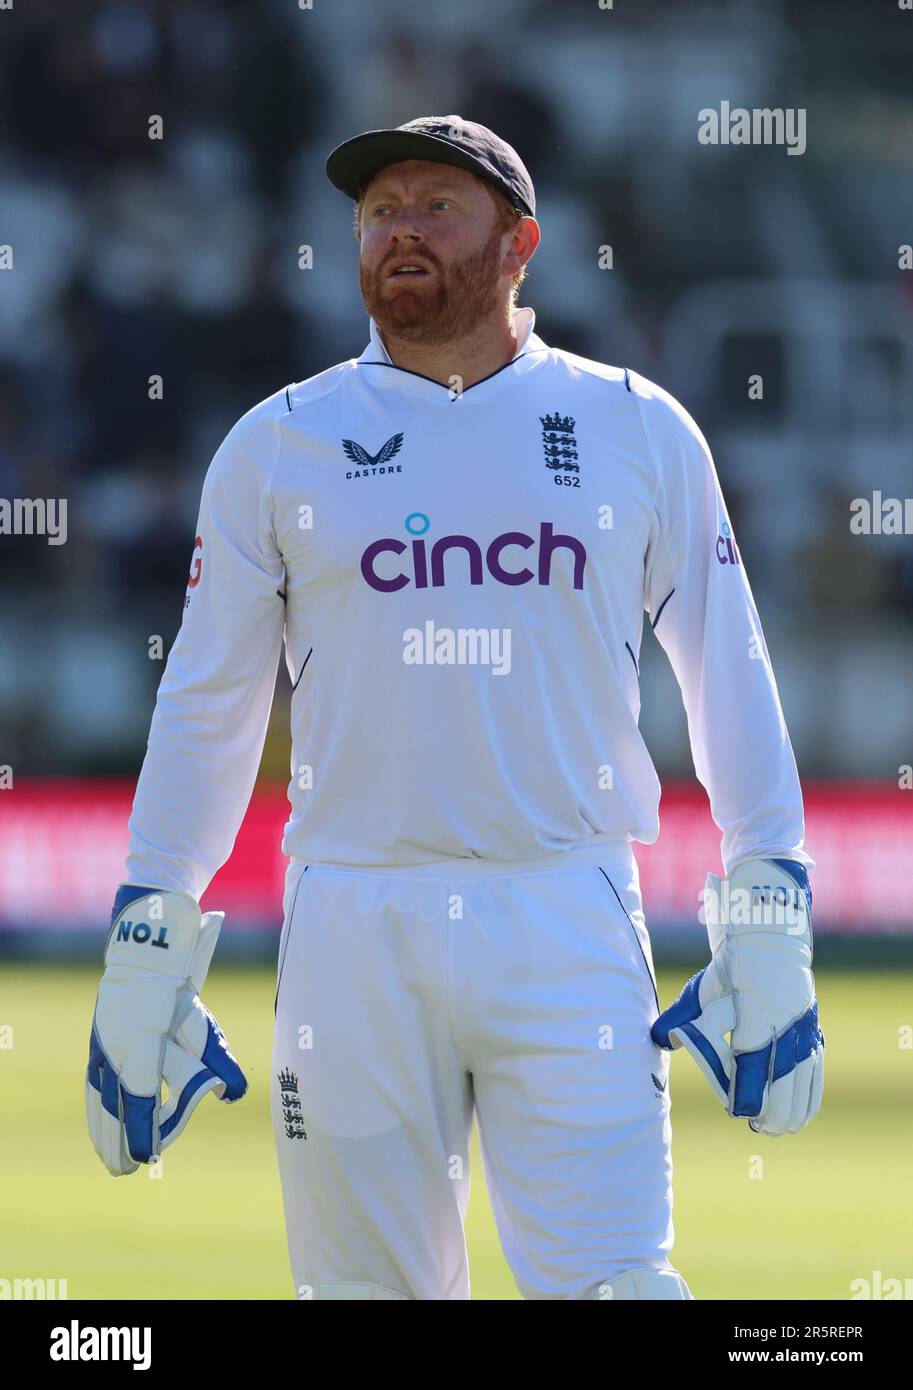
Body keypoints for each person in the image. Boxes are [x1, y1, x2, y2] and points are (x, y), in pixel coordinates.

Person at [85, 116, 824, 1302]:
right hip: (350, 920)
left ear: (519, 242)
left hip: (568, 910)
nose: (399, 232)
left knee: (617, 1288)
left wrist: (770, 906)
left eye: (436, 205)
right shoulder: (277, 445)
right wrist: (148, 938)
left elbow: (727, 674)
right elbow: (206, 706)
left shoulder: (635, 425)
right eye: (379, 212)